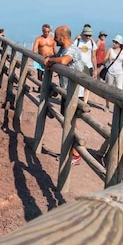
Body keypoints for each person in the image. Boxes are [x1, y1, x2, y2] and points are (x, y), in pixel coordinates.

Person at [44, 25, 86, 166]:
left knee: (71, 123)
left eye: (56, 36)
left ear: (63, 37)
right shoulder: (62, 49)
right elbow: (55, 58)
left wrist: (50, 61)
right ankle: (71, 150)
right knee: (67, 121)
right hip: (66, 91)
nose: (54, 39)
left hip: (74, 93)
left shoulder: (72, 50)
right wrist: (49, 60)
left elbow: (63, 61)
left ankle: (76, 153)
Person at [102, 35, 123, 111]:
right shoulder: (110, 50)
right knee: (108, 89)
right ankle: (107, 105)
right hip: (110, 72)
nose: (114, 44)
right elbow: (104, 61)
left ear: (120, 44)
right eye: (114, 42)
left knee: (119, 90)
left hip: (119, 72)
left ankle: (118, 107)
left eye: (116, 42)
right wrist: (109, 59)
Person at [73, 24, 97, 101]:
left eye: (89, 35)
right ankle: (77, 99)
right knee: (78, 84)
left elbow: (93, 56)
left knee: (87, 85)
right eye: (86, 35)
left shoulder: (92, 43)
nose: (88, 37)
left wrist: (95, 69)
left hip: (88, 66)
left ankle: (85, 101)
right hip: (78, 66)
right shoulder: (77, 41)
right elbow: (72, 52)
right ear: (82, 34)